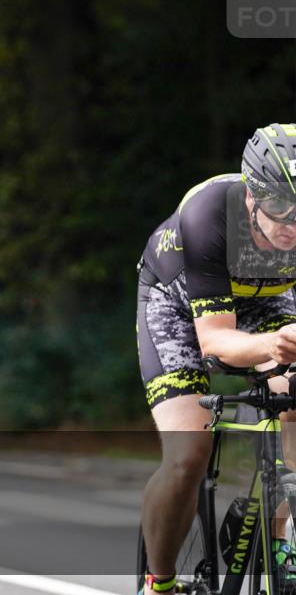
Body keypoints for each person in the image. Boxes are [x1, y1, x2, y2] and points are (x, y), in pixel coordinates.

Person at [137, 123, 296, 594]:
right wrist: (274, 346)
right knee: (189, 454)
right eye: (279, 207)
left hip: (267, 299)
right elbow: (217, 343)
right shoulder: (209, 215)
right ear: (251, 197)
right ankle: (159, 581)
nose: (291, 223)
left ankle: (281, 531)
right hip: (180, 303)